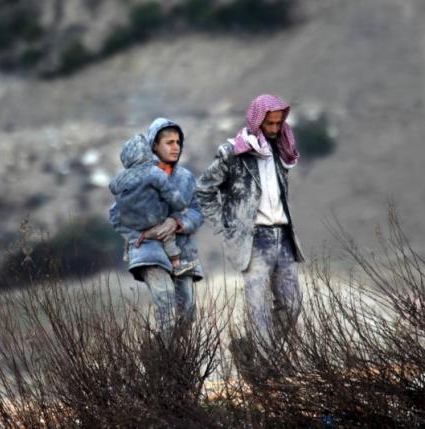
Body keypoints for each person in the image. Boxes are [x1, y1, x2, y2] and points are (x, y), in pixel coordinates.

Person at [196, 94, 305, 350]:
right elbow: (204, 189)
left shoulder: (282, 151)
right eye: (270, 124)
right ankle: (267, 368)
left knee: (292, 305)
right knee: (258, 306)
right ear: (257, 122)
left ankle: (256, 351)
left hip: (283, 235)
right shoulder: (233, 152)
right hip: (254, 238)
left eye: (279, 124)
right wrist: (223, 227)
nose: (276, 129)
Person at [109, 117, 204, 341]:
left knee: (187, 312)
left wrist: (177, 223)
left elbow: (197, 211)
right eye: (169, 142)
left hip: (182, 251)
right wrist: (141, 234)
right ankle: (163, 364)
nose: (175, 147)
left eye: (178, 142)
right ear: (154, 146)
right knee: (166, 301)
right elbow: (117, 214)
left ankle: (175, 362)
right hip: (149, 251)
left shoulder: (186, 178)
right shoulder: (137, 178)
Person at [109, 133, 196, 277]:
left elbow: (112, 187)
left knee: (120, 224)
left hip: (130, 221)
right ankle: (177, 264)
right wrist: (181, 206)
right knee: (168, 236)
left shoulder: (121, 176)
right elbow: (170, 193)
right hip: (153, 220)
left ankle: (128, 248)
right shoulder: (155, 172)